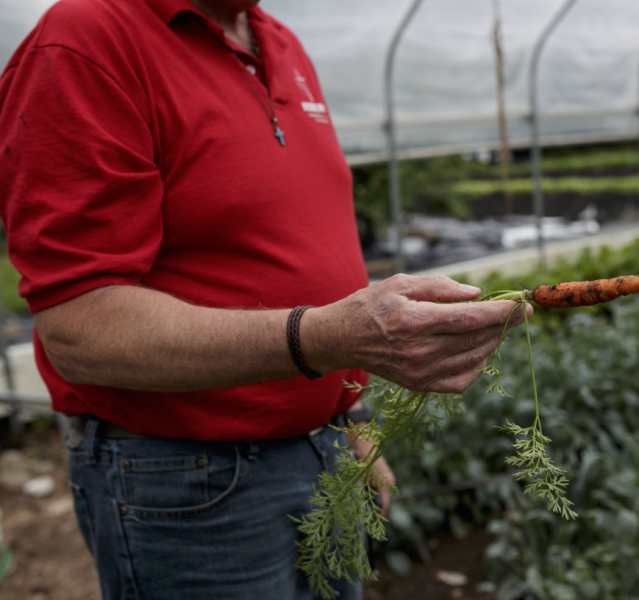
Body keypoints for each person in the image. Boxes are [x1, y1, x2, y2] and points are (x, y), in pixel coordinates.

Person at [0, 0, 530, 598]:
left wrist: (349, 417)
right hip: (188, 480)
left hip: (317, 451)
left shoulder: (278, 41)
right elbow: (80, 326)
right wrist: (323, 337)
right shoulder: (86, 41)